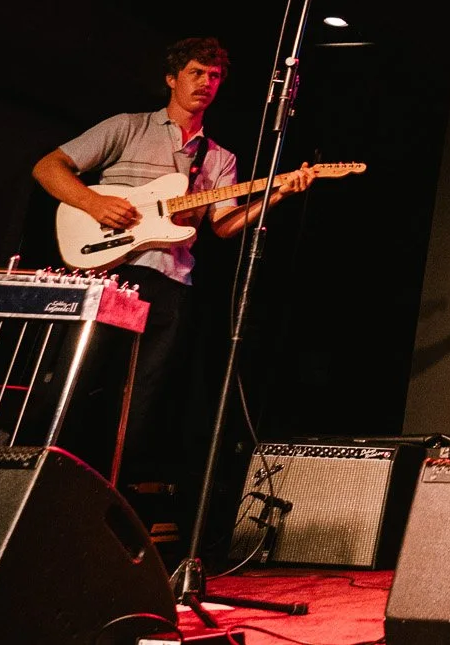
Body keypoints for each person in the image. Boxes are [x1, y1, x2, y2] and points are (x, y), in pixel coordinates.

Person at [32, 38, 314, 488]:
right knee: (76, 379)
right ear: (172, 78)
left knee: (142, 395)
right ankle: (41, 473)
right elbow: (48, 167)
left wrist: (278, 193)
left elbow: (223, 227)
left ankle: (109, 488)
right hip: (109, 272)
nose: (206, 82)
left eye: (215, 76)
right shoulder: (128, 127)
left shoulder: (220, 158)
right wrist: (93, 202)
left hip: (169, 282)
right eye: (197, 73)